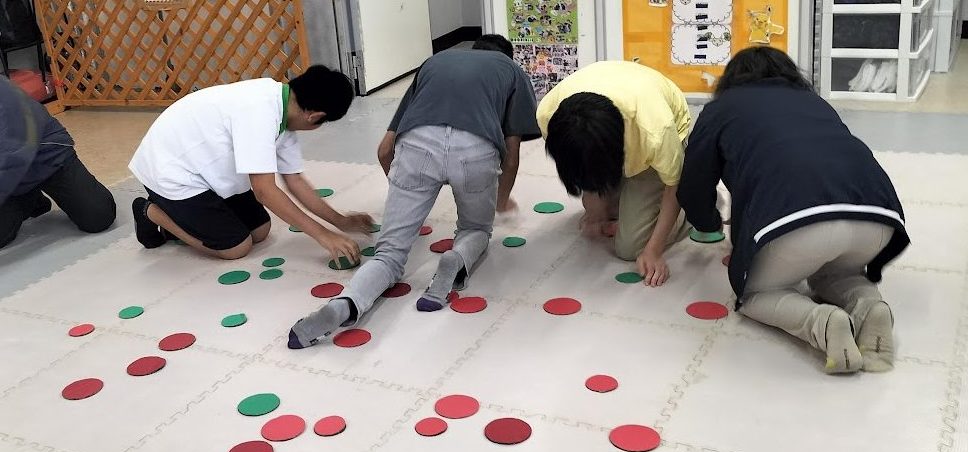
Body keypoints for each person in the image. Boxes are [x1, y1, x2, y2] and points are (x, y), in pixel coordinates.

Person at [288, 34, 541, 349]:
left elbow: (384, 150)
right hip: (474, 150)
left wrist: (405, 191)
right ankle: (455, 259)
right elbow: (511, 155)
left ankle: (346, 303)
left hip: (416, 146)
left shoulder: (436, 62)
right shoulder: (510, 70)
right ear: (507, 56)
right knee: (475, 228)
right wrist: (501, 201)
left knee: (389, 255)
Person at [678, 47, 909, 374]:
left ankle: (822, 323)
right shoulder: (814, 102)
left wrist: (709, 222)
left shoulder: (721, 109)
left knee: (757, 294)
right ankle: (870, 307)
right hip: (878, 217)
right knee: (837, 273)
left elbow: (693, 183)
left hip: (795, 221)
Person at [129, 65, 372, 261]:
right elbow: (265, 191)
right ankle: (150, 212)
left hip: (205, 170)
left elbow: (295, 181)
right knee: (236, 247)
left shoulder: (284, 110)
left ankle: (185, 218)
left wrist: (340, 221)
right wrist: (323, 235)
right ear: (315, 116)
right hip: (171, 172)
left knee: (260, 230)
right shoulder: (259, 112)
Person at [536, 60, 693, 287]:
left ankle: (692, 210)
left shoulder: (656, 131)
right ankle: (622, 200)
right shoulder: (548, 115)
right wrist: (595, 209)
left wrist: (654, 251)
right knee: (600, 211)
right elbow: (578, 161)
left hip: (656, 138)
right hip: (621, 125)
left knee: (630, 247)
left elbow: (673, 185)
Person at [0, 76, 116, 249]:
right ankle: (29, 200)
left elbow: (11, 158)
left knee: (98, 216)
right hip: (10, 176)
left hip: (48, 156)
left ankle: (27, 196)